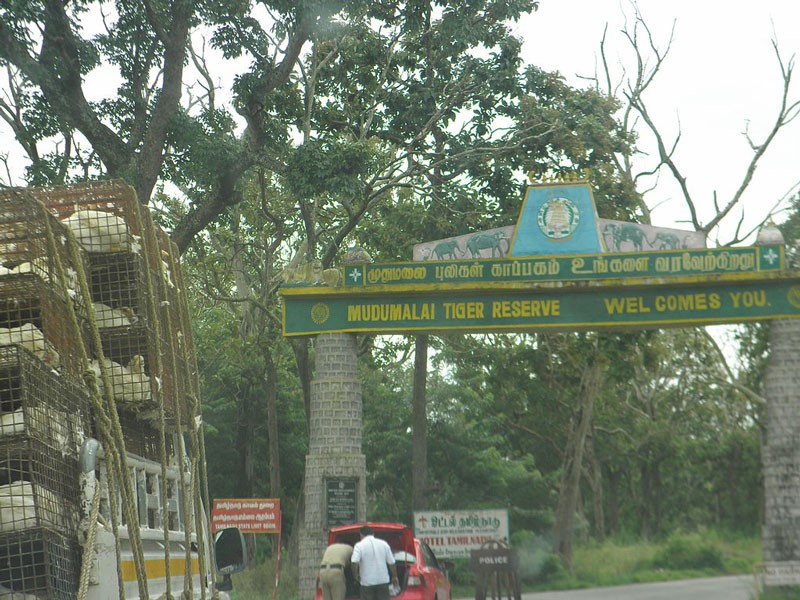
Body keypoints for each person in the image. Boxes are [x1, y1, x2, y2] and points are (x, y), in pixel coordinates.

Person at [351, 525, 399, 600]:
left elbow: (354, 562)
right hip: (383, 581)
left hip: (367, 582)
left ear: (361, 535)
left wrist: (356, 576)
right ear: (373, 534)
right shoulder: (384, 544)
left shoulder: (359, 546)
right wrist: (394, 576)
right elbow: (392, 562)